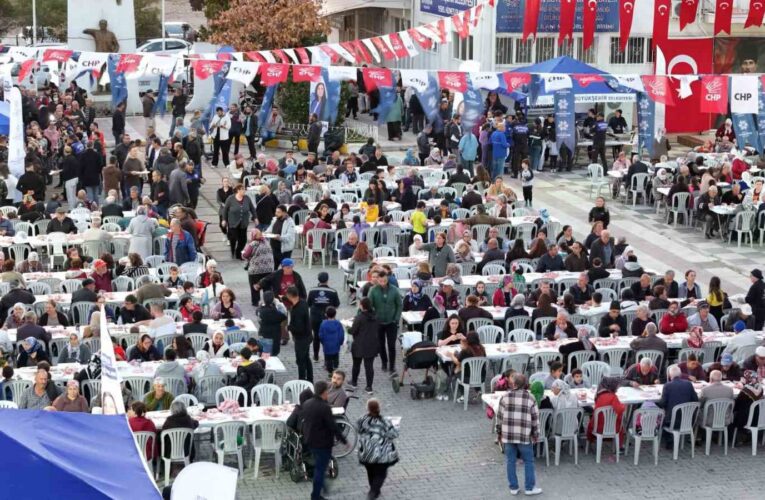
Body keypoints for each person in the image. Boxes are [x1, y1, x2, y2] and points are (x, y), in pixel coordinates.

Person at [496, 373, 542, 496]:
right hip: (524, 436)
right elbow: (535, 418)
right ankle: (529, 487)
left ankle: (513, 487)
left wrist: (499, 433)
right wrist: (536, 434)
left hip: (508, 436)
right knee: (528, 461)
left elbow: (499, 418)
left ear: (514, 384)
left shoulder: (505, 397)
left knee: (510, 461)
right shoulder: (531, 398)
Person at [357, 398, 400, 500]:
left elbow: (358, 430)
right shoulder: (385, 421)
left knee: (370, 471)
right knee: (381, 473)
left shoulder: (362, 420)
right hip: (381, 453)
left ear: (367, 409)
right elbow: (394, 434)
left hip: (366, 452)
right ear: (379, 408)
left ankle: (374, 489)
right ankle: (373, 492)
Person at [368, 271, 402, 376]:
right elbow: (369, 305)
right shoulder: (373, 290)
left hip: (391, 322)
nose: (383, 282)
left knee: (391, 345)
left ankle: (392, 366)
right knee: (381, 344)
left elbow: (399, 305)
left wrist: (396, 318)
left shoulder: (394, 290)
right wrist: (373, 316)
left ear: (387, 279)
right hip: (379, 322)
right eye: (381, 280)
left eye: (384, 280)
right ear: (377, 280)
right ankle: (384, 362)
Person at [658, 365, 699, 448]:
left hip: (672, 422)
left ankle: (668, 440)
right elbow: (695, 399)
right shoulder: (688, 384)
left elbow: (663, 403)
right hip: (688, 421)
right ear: (680, 375)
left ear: (670, 376)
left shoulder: (667, 385)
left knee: (661, 416)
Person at [349, 298, 379, 392]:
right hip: (372, 345)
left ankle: (354, 382)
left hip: (359, 345)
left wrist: (348, 327)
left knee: (356, 364)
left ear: (362, 305)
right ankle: (369, 386)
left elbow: (353, 331)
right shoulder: (376, 316)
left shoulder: (359, 317)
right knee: (369, 366)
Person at [586, 376, 625, 445]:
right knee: (621, 423)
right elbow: (620, 410)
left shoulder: (598, 395)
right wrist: (624, 405)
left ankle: (592, 441)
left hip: (596, 426)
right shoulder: (613, 397)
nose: (617, 388)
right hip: (611, 427)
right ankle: (620, 446)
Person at [222, 183, 257, 259]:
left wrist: (255, 217)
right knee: (233, 238)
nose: (244, 191)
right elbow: (225, 210)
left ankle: (238, 253)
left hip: (243, 223)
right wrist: (224, 219)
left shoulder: (247, 198)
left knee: (243, 240)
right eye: (242, 189)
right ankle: (232, 250)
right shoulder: (230, 199)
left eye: (244, 189)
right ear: (238, 190)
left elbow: (252, 208)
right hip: (233, 222)